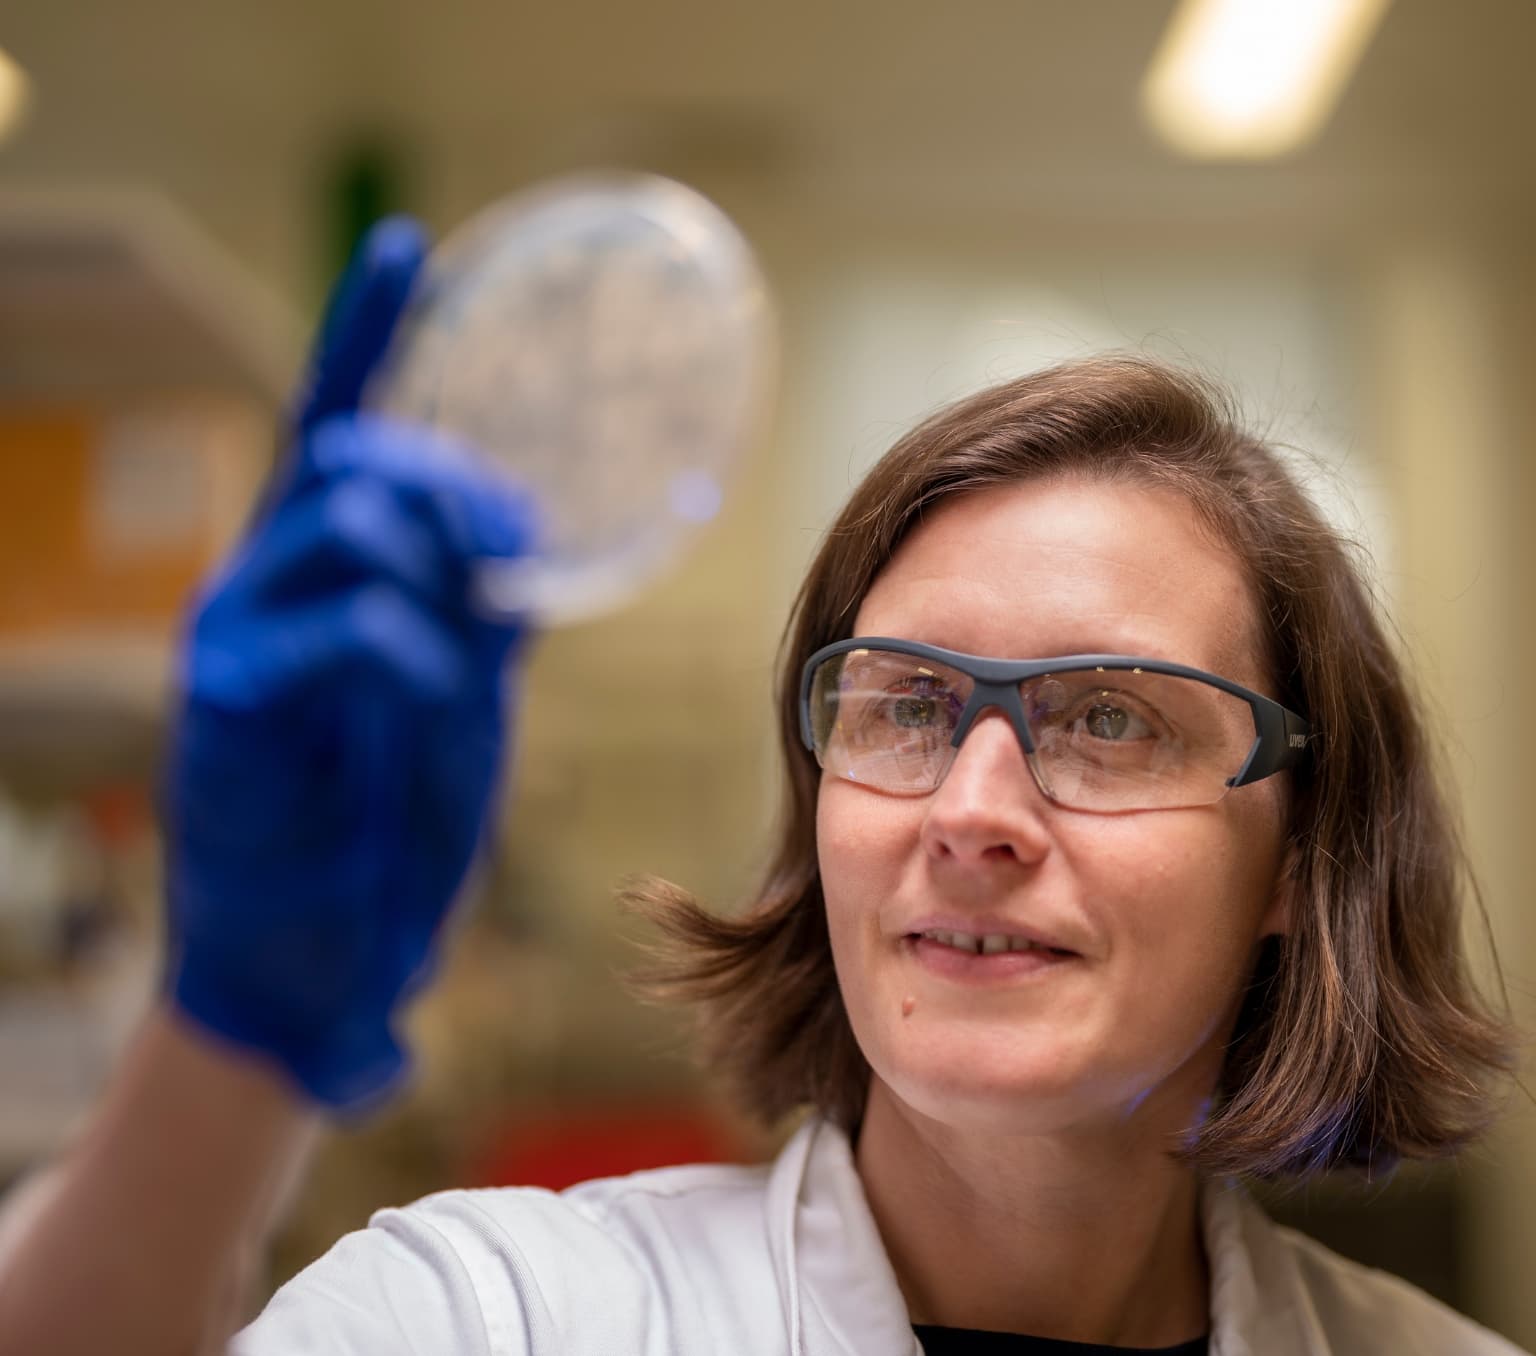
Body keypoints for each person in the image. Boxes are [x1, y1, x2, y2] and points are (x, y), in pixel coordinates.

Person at [0, 220, 1525, 1356]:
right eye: (907, 706)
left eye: (1112, 719)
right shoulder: (504, 1315)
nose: (970, 807)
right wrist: (225, 1049)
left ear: (1292, 862)